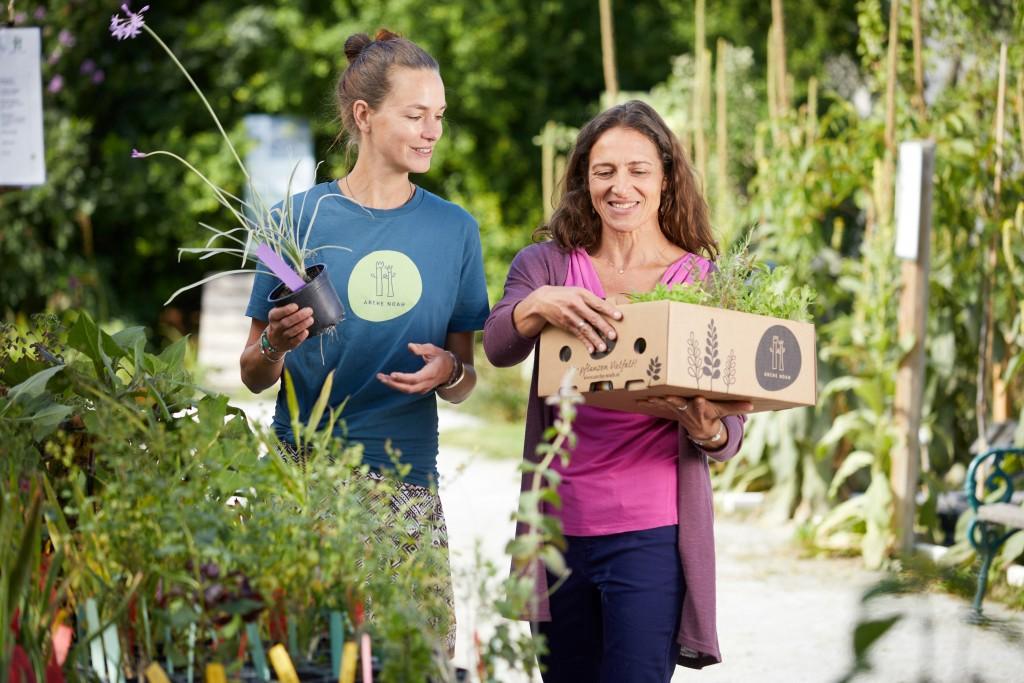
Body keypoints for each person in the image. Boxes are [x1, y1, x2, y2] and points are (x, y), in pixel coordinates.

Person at [483, 100, 753, 681]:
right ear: (585, 177)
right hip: (559, 531)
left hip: (651, 534)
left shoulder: (702, 282)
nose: (619, 186)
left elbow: (730, 429)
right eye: (604, 171)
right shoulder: (548, 265)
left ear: (665, 178)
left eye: (637, 170)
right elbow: (498, 344)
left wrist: (708, 430)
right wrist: (537, 305)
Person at [240, 29, 490, 653]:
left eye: (439, 116)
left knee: (413, 660)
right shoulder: (290, 222)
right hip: (305, 479)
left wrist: (450, 372)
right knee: (300, 655)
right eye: (415, 115)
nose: (432, 130)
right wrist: (274, 342)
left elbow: (467, 381)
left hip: (407, 485)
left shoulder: (456, 230)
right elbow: (251, 372)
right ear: (364, 116)